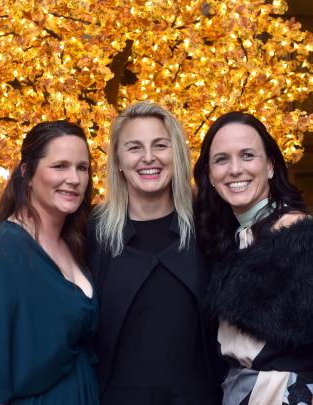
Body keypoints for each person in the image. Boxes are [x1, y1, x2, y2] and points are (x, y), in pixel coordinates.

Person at [87, 101, 223, 405]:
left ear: (176, 154)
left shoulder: (209, 224)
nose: (149, 158)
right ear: (118, 160)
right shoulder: (91, 231)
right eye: (134, 148)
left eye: (160, 145)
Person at [0, 121, 99, 405]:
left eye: (82, 167)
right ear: (27, 174)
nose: (74, 179)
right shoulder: (1, 253)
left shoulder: (75, 242)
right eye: (59, 166)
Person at [193, 111, 313, 405]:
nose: (235, 169)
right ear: (210, 174)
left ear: (270, 166)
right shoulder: (231, 239)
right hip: (240, 391)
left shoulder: (301, 238)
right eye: (221, 159)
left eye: (248, 155)